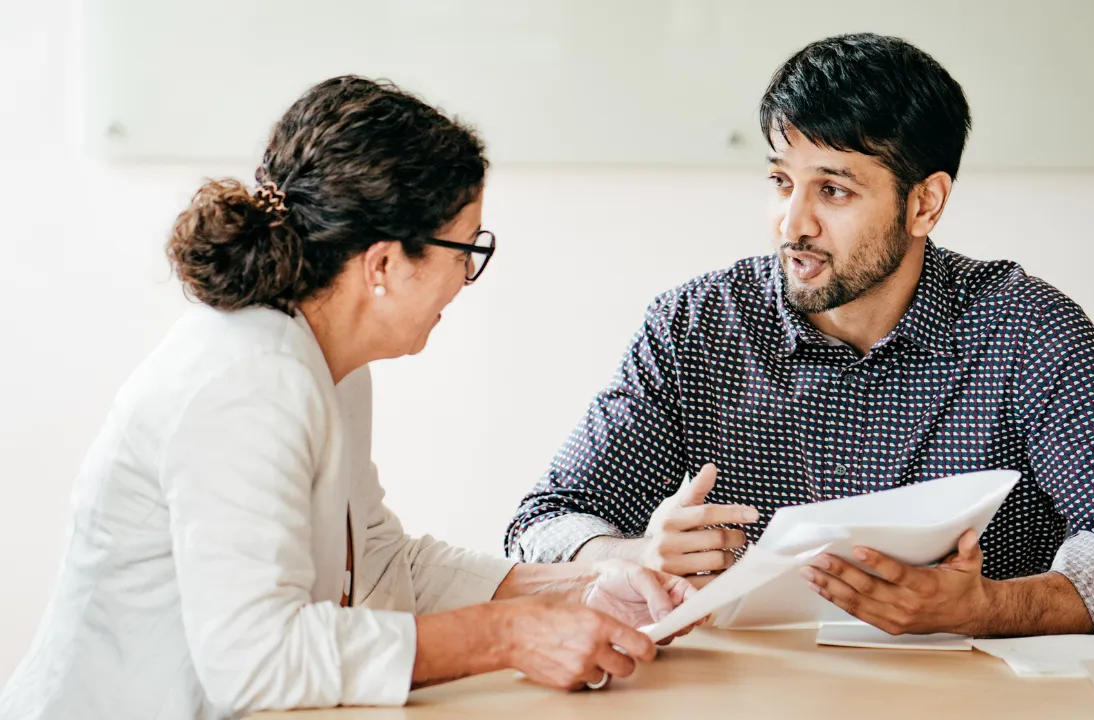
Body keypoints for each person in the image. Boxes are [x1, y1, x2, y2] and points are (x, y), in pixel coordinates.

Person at [0, 77, 695, 720]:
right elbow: (256, 661)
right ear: (384, 263)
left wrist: (584, 583)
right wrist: (504, 635)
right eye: (464, 250)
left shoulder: (325, 361)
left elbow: (382, 564)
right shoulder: (248, 382)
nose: (465, 277)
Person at [506, 33, 1094, 639]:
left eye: (834, 190)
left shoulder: (1025, 329)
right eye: (781, 181)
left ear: (925, 204)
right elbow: (541, 523)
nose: (793, 224)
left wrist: (988, 608)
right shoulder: (696, 326)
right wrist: (628, 555)